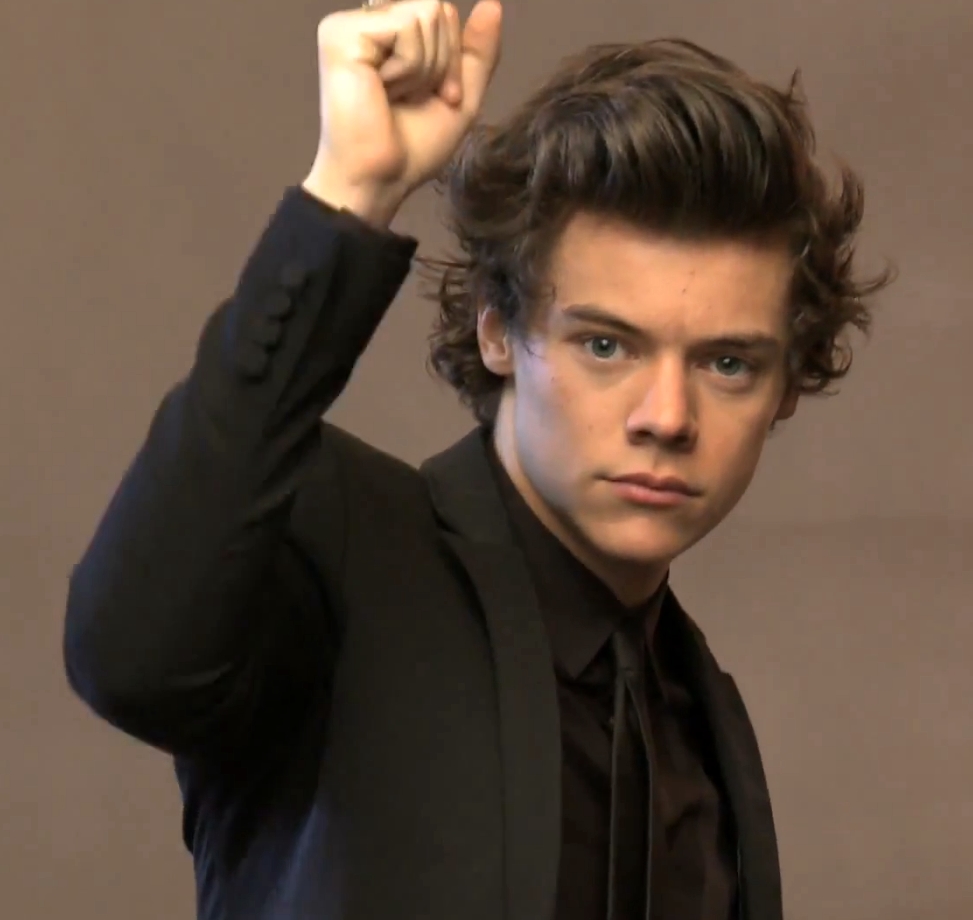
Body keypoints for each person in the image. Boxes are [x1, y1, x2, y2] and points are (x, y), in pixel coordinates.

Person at [62, 1, 891, 919]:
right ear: (498, 332)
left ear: (786, 387)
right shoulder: (344, 549)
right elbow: (132, 657)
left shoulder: (700, 715)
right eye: (605, 346)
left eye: (726, 363)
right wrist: (350, 192)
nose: (665, 417)